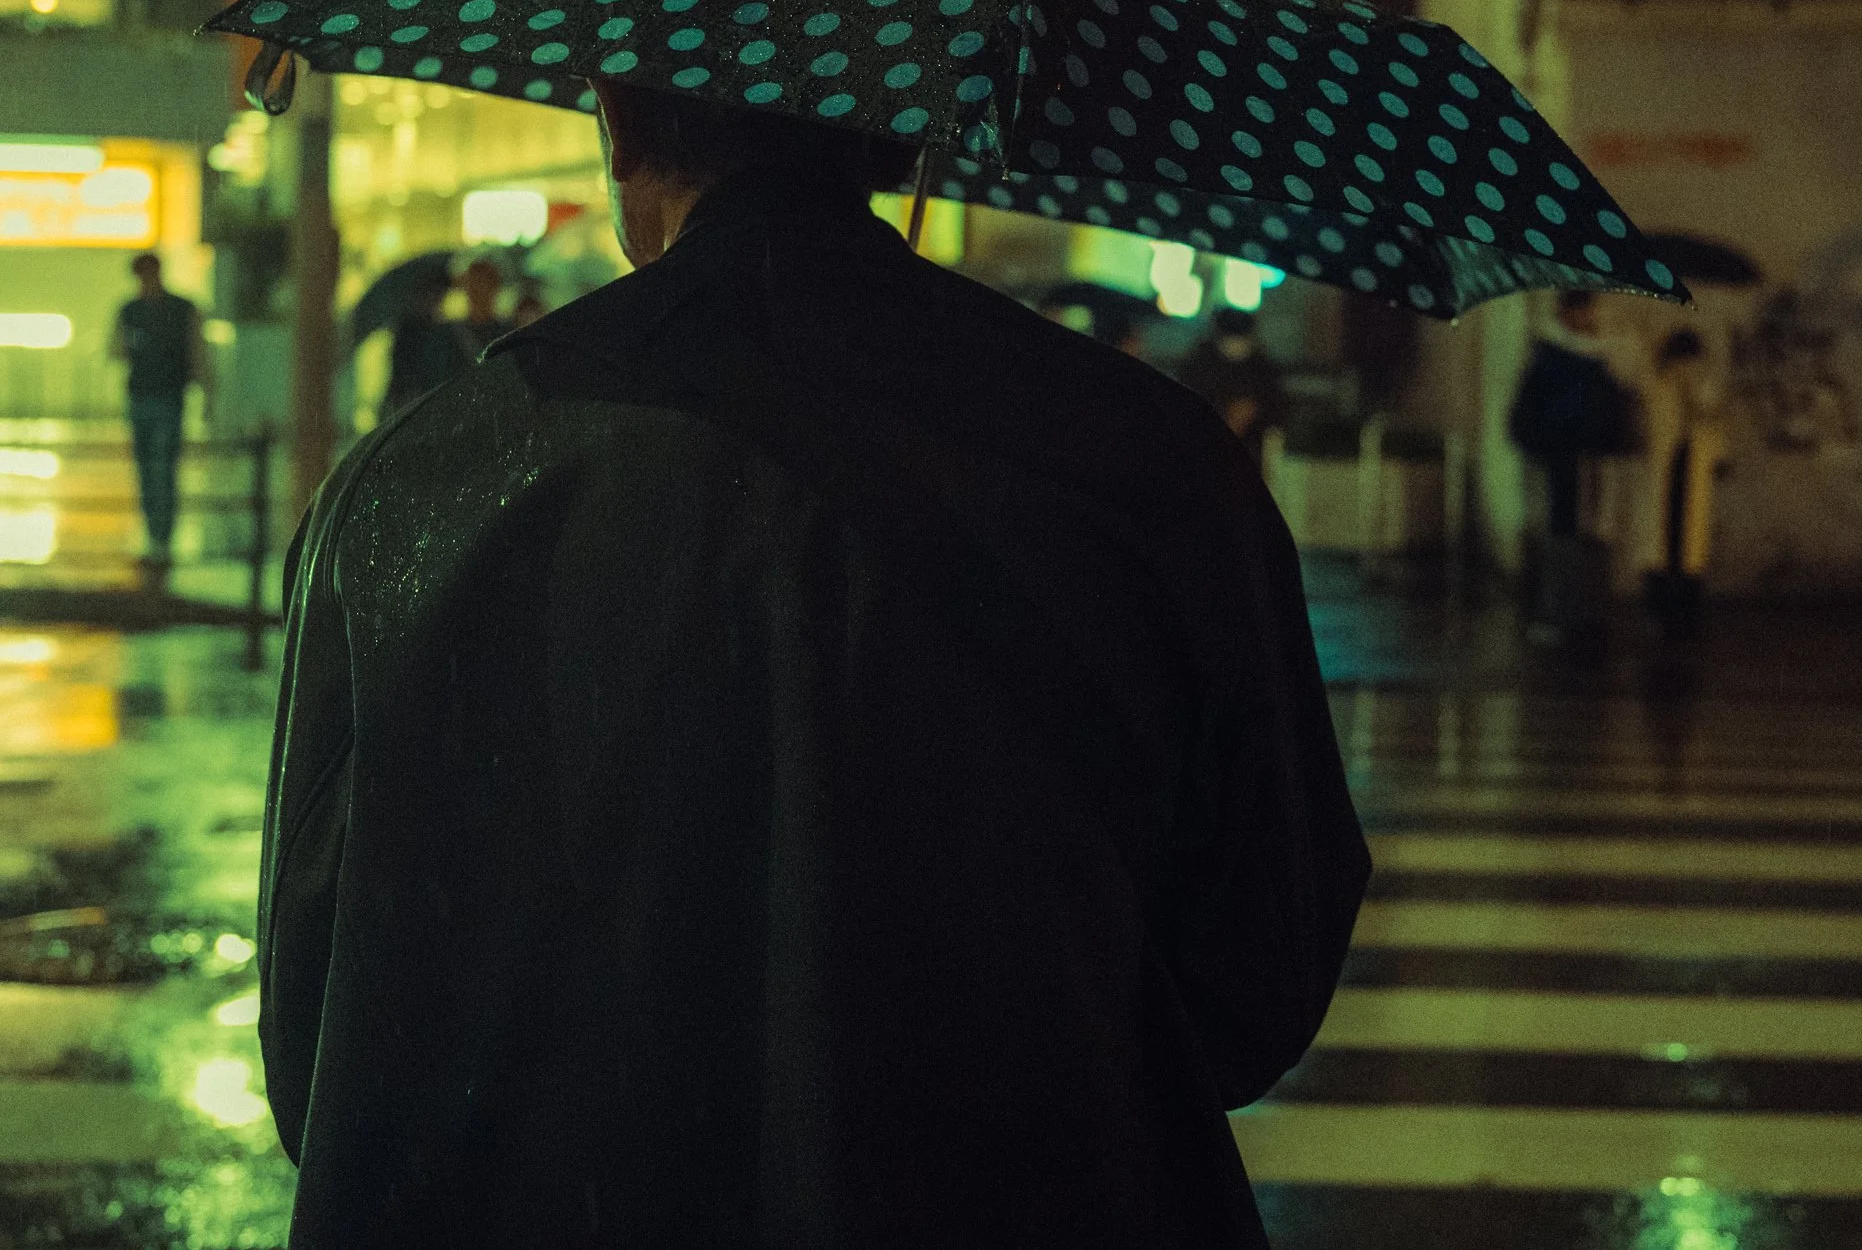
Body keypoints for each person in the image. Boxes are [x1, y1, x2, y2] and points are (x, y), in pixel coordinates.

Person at [260, 77, 1369, 1249]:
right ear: (902, 138)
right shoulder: (1152, 461)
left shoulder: (420, 478)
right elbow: (1256, 981)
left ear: (622, 125)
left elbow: (315, 1046)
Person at [1507, 290, 1634, 544]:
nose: (1589, 317)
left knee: (1581, 514)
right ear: (1568, 313)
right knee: (1560, 514)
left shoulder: (1591, 355)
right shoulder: (1555, 354)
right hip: (1560, 444)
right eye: (1584, 311)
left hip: (1584, 445)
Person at [110, 252, 206, 573]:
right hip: (163, 396)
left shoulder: (132, 311)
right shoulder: (181, 309)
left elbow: (116, 351)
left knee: (155, 468)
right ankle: (159, 537)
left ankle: (159, 537)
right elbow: (197, 352)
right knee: (158, 468)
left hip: (152, 396)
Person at [1640, 329, 1725, 621]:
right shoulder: (1660, 387)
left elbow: (1713, 425)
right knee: (1669, 544)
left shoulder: (1698, 389)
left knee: (1682, 546)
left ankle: (1677, 612)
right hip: (1672, 472)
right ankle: (1672, 612)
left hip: (1687, 472)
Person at [1175, 307, 1288, 456]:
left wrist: (1252, 412)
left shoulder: (1261, 367)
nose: (1235, 345)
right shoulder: (1200, 365)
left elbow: (1277, 410)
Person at [381, 267, 474, 417]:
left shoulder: (451, 331)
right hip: (419, 401)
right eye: (431, 294)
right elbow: (401, 372)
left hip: (441, 400)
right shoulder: (410, 329)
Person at [452, 254, 509, 357]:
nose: (479, 291)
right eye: (473, 284)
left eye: (483, 283)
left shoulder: (508, 332)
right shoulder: (454, 335)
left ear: (495, 287)